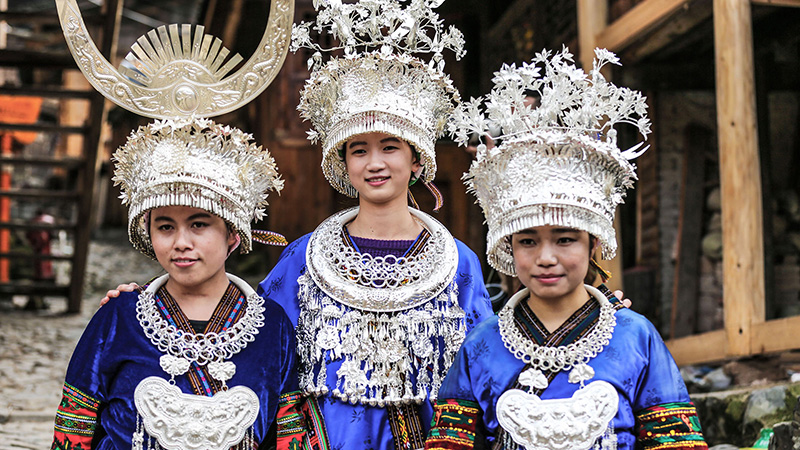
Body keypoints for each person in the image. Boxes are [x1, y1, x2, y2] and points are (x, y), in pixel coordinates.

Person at [425, 48, 707, 450]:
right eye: (528, 241)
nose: (545, 257)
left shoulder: (635, 337)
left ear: (593, 242)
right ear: (508, 246)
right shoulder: (481, 345)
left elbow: (677, 444)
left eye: (564, 239)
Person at [257, 2, 494, 449]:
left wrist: (591, 310)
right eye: (359, 150)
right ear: (343, 163)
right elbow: (250, 335)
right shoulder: (304, 259)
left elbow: (492, 356)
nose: (375, 163)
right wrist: (155, 298)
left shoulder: (458, 263)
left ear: (417, 158)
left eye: (390, 147)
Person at [51, 118, 299, 450]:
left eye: (199, 224)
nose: (181, 242)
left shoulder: (273, 327)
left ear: (233, 236)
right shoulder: (119, 318)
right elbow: (74, 424)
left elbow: (291, 434)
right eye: (166, 227)